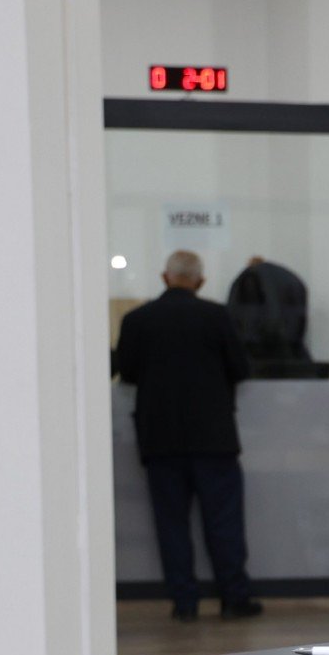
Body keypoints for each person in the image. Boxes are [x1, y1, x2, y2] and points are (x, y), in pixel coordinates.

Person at [113, 250, 261, 622]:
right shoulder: (217, 316)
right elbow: (241, 369)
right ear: (201, 281)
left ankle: (184, 603)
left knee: (171, 524)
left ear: (165, 278)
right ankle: (234, 599)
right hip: (214, 439)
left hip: (159, 439)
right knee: (223, 522)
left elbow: (127, 373)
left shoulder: (137, 320)